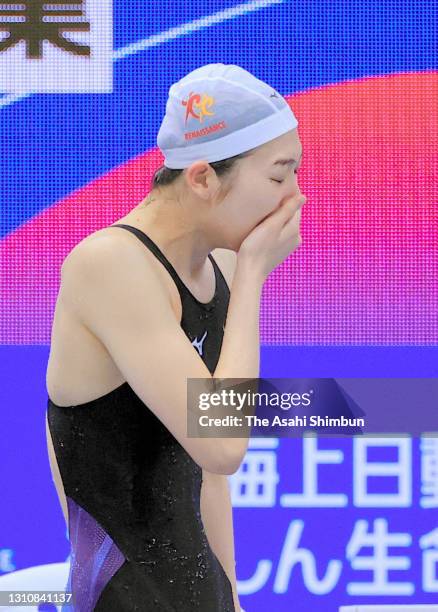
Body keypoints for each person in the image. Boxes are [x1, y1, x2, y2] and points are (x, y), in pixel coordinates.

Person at [45, 63, 307, 611]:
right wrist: (254, 276)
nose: (295, 200)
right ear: (204, 178)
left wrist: (231, 598)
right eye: (280, 176)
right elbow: (221, 445)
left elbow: (203, 479)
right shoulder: (111, 265)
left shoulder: (218, 264)